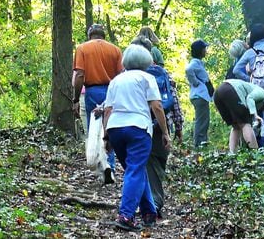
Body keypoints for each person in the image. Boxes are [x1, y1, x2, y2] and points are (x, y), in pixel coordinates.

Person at [102, 44, 171, 232]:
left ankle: (149, 212)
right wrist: (165, 133)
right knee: (135, 170)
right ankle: (126, 215)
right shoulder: (147, 78)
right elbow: (157, 106)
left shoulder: (116, 80)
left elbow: (108, 110)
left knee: (136, 170)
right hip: (138, 128)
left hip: (116, 128)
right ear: (146, 62)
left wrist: (106, 136)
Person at [132, 34, 184, 219]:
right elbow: (174, 101)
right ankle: (154, 202)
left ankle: (150, 203)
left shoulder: (128, 76)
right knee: (157, 164)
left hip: (139, 125)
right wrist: (177, 127)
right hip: (163, 126)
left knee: (143, 165)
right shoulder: (162, 73)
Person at [73, 23, 123, 180]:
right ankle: (111, 166)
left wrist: (75, 98)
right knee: (110, 128)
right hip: (111, 90)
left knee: (94, 130)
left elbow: (80, 75)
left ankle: (101, 166)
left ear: (89, 35)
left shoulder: (82, 48)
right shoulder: (115, 50)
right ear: (104, 35)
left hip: (92, 91)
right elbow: (121, 75)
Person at [213, 79, 264, 152]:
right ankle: (255, 153)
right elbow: (250, 98)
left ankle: (232, 154)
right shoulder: (263, 93)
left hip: (218, 93)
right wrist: (255, 115)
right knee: (245, 124)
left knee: (236, 126)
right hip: (230, 89)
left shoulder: (257, 104)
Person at [185, 39, 212, 148]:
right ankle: (200, 145)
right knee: (202, 121)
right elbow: (188, 70)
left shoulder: (199, 63)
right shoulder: (194, 63)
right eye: (204, 48)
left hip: (200, 96)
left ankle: (201, 143)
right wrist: (194, 82)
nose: (206, 51)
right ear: (200, 50)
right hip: (199, 96)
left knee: (203, 120)